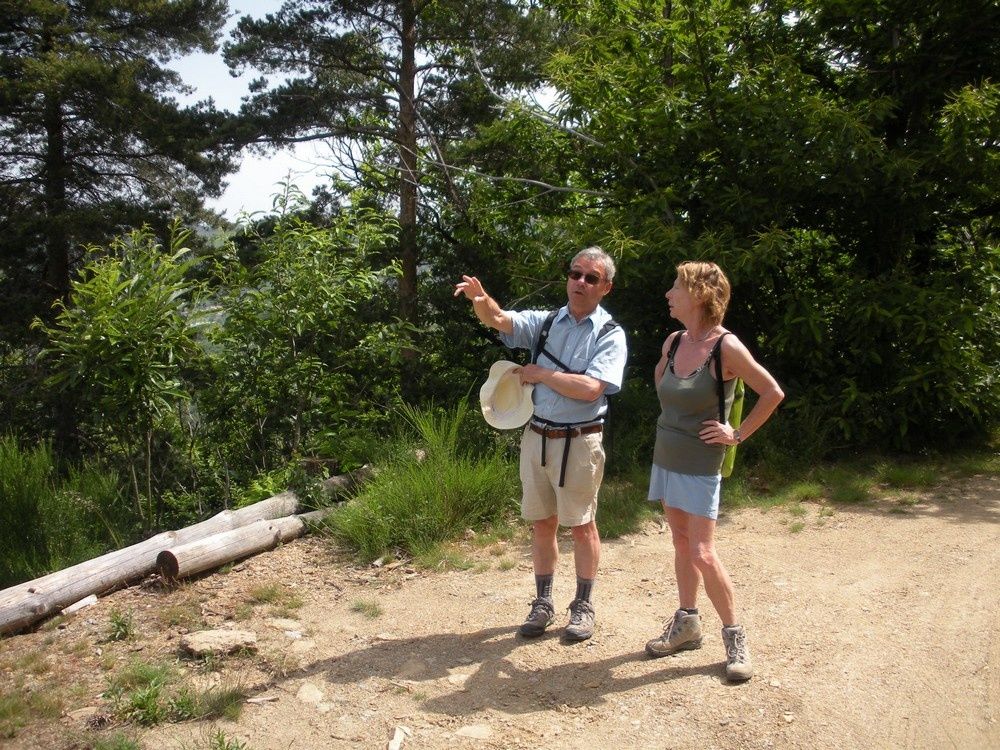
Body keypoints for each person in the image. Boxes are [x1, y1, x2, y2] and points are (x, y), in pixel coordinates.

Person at [454, 247, 628, 641]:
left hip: (580, 442)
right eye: (575, 273)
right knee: (541, 524)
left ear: (606, 288)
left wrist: (542, 374)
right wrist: (481, 300)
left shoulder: (609, 334)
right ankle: (543, 603)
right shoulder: (547, 321)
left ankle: (582, 606)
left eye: (591, 278)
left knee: (582, 526)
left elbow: (591, 389)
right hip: (538, 437)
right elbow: (498, 319)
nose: (580, 282)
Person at [645, 260, 783, 682]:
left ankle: (735, 637)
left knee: (703, 551)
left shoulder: (727, 347)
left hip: (702, 462)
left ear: (699, 295)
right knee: (681, 542)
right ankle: (687, 623)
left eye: (676, 287)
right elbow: (662, 388)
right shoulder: (673, 342)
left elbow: (772, 392)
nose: (669, 294)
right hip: (667, 455)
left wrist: (735, 434)